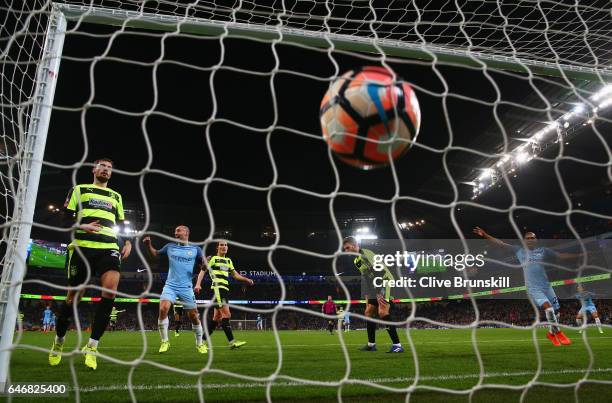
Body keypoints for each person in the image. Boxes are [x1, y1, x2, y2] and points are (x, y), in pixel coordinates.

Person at [49, 158, 132, 370]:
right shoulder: (79, 189)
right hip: (82, 248)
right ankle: (58, 342)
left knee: (110, 292)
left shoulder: (116, 196)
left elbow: (121, 224)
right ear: (94, 170)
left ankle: (92, 347)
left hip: (109, 248)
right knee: (73, 298)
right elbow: (65, 220)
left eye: (110, 168)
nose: (106, 169)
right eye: (102, 166)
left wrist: (129, 241)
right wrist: (83, 225)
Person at [474, 227, 579, 346]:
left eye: (532, 238)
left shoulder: (543, 251)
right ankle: (558, 332)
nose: (530, 240)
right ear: (524, 241)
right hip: (533, 288)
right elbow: (501, 244)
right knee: (549, 309)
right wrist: (485, 235)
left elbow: (560, 256)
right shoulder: (519, 251)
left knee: (557, 312)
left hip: (547, 286)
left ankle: (551, 333)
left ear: (536, 240)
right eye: (527, 238)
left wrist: (580, 255)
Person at [143, 225, 207, 354]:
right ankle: (165, 341)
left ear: (186, 233)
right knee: (163, 308)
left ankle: (199, 344)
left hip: (187, 287)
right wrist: (148, 245)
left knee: (194, 316)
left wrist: (205, 266)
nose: (175, 232)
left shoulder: (196, 250)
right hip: (170, 286)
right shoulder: (169, 247)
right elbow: (155, 254)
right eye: (175, 231)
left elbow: (203, 267)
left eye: (178, 230)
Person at [343, 236, 403, 353]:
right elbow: (366, 277)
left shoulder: (366, 253)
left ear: (355, 246)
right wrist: (367, 297)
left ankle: (397, 345)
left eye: (347, 248)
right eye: (344, 249)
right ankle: (371, 345)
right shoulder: (357, 261)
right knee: (368, 312)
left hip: (385, 281)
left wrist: (379, 292)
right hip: (375, 285)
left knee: (382, 311)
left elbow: (379, 270)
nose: (346, 251)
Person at [194, 241, 254, 349]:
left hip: (225, 290)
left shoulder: (228, 261)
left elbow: (235, 275)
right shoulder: (212, 259)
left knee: (216, 319)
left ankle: (201, 341)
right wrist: (198, 284)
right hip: (217, 289)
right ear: (217, 247)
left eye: (226, 245)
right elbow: (203, 271)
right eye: (222, 245)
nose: (224, 247)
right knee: (227, 315)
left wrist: (246, 279)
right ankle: (232, 342)